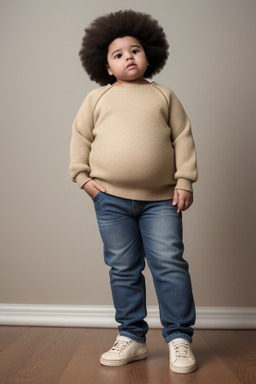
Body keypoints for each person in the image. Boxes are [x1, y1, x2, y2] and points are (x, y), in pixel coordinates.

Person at [69, 10, 198, 374]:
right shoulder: (97, 99)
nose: (129, 56)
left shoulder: (164, 96)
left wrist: (185, 180)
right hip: (110, 199)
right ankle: (133, 337)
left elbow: (183, 138)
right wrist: (85, 181)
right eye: (119, 53)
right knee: (123, 268)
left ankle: (179, 339)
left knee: (170, 266)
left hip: (162, 200)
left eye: (135, 50)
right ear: (107, 66)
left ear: (149, 55)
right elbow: (80, 139)